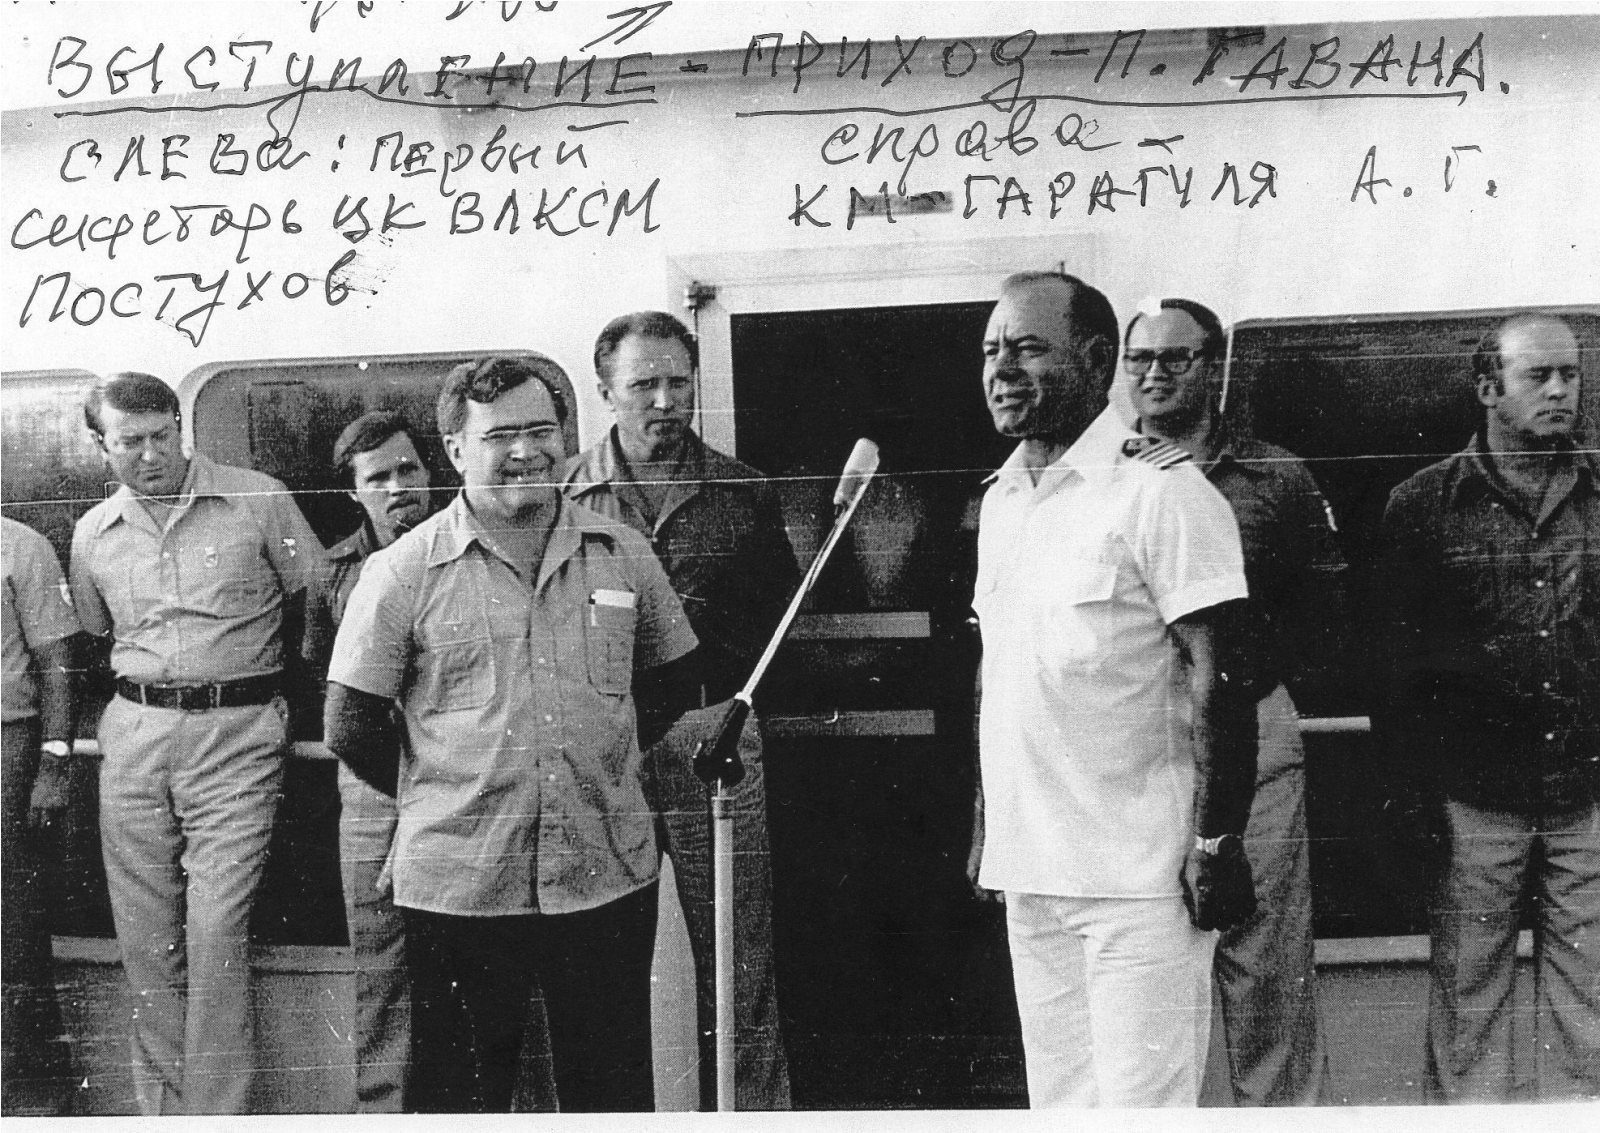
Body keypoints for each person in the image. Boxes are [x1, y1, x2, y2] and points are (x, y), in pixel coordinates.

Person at [324, 356, 699, 1113]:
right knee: (461, 1101)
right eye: (500, 436)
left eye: (541, 430)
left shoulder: (623, 551)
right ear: (456, 449)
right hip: (459, 886)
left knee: (612, 1095)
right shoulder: (402, 570)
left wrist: (599, 756)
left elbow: (672, 682)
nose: (526, 451)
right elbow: (350, 722)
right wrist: (443, 789)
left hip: (604, 872)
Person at [967, 271, 1259, 1107]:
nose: (1002, 370)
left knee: (1144, 1112)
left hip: (1139, 878)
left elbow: (1220, 678)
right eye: (991, 351)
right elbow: (1001, 672)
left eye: (1028, 348)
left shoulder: (1164, 493)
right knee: (1060, 1107)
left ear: (1098, 363)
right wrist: (988, 823)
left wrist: (1215, 843)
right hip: (1034, 871)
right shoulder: (1003, 500)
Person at [68, 372, 327, 1115]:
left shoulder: (257, 497)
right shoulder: (92, 533)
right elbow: (96, 631)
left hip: (239, 730)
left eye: (162, 436)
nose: (151, 455)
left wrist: (298, 694)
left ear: (180, 427)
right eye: (130, 442)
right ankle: (164, 1114)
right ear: (102, 446)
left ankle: (217, 1117)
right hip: (136, 734)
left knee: (217, 931)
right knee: (145, 938)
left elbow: (313, 595)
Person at [563, 310, 798, 1110]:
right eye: (643, 385)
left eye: (678, 382)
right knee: (601, 960)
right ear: (606, 391)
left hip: (712, 742)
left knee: (739, 964)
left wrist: (729, 709)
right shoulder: (563, 495)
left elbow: (778, 626)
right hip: (602, 751)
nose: (664, 401)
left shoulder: (745, 492)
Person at [1124, 297, 1342, 1106]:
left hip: (1250, 728)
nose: (1154, 374)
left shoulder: (1275, 476)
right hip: (1141, 743)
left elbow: (1326, 608)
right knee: (1143, 960)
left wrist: (1245, 669)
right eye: (1140, 359)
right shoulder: (1105, 473)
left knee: (1264, 967)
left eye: (1174, 358)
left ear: (1212, 367)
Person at [1378, 312, 1598, 1102]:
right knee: (1469, 1008)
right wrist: (1411, 793)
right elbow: (1394, 669)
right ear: (1486, 388)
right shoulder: (1422, 505)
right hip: (1471, 803)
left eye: (1570, 374)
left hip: (1589, 796)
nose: (1560, 390)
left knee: (1592, 1009)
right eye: (1538, 375)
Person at [303, 410, 434, 1112]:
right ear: (353, 491)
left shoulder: (467, 547)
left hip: (463, 778)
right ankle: (383, 1111)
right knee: (380, 957)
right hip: (372, 783)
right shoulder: (332, 571)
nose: (398, 486)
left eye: (408, 469)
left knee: (474, 952)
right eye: (378, 476)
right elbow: (322, 682)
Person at [1, 517, 81, 1117]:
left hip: (7, 745)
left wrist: (53, 763)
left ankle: (34, 1098)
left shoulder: (20, 547)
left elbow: (58, 661)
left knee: (13, 925)